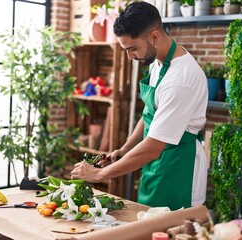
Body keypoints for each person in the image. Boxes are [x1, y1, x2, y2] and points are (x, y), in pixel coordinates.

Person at [71, 1, 208, 210]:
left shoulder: (180, 80)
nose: (130, 56)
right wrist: (125, 149)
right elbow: (149, 114)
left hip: (180, 170)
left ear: (154, 36)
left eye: (133, 48)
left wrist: (98, 174)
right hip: (157, 163)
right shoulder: (159, 63)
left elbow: (152, 147)